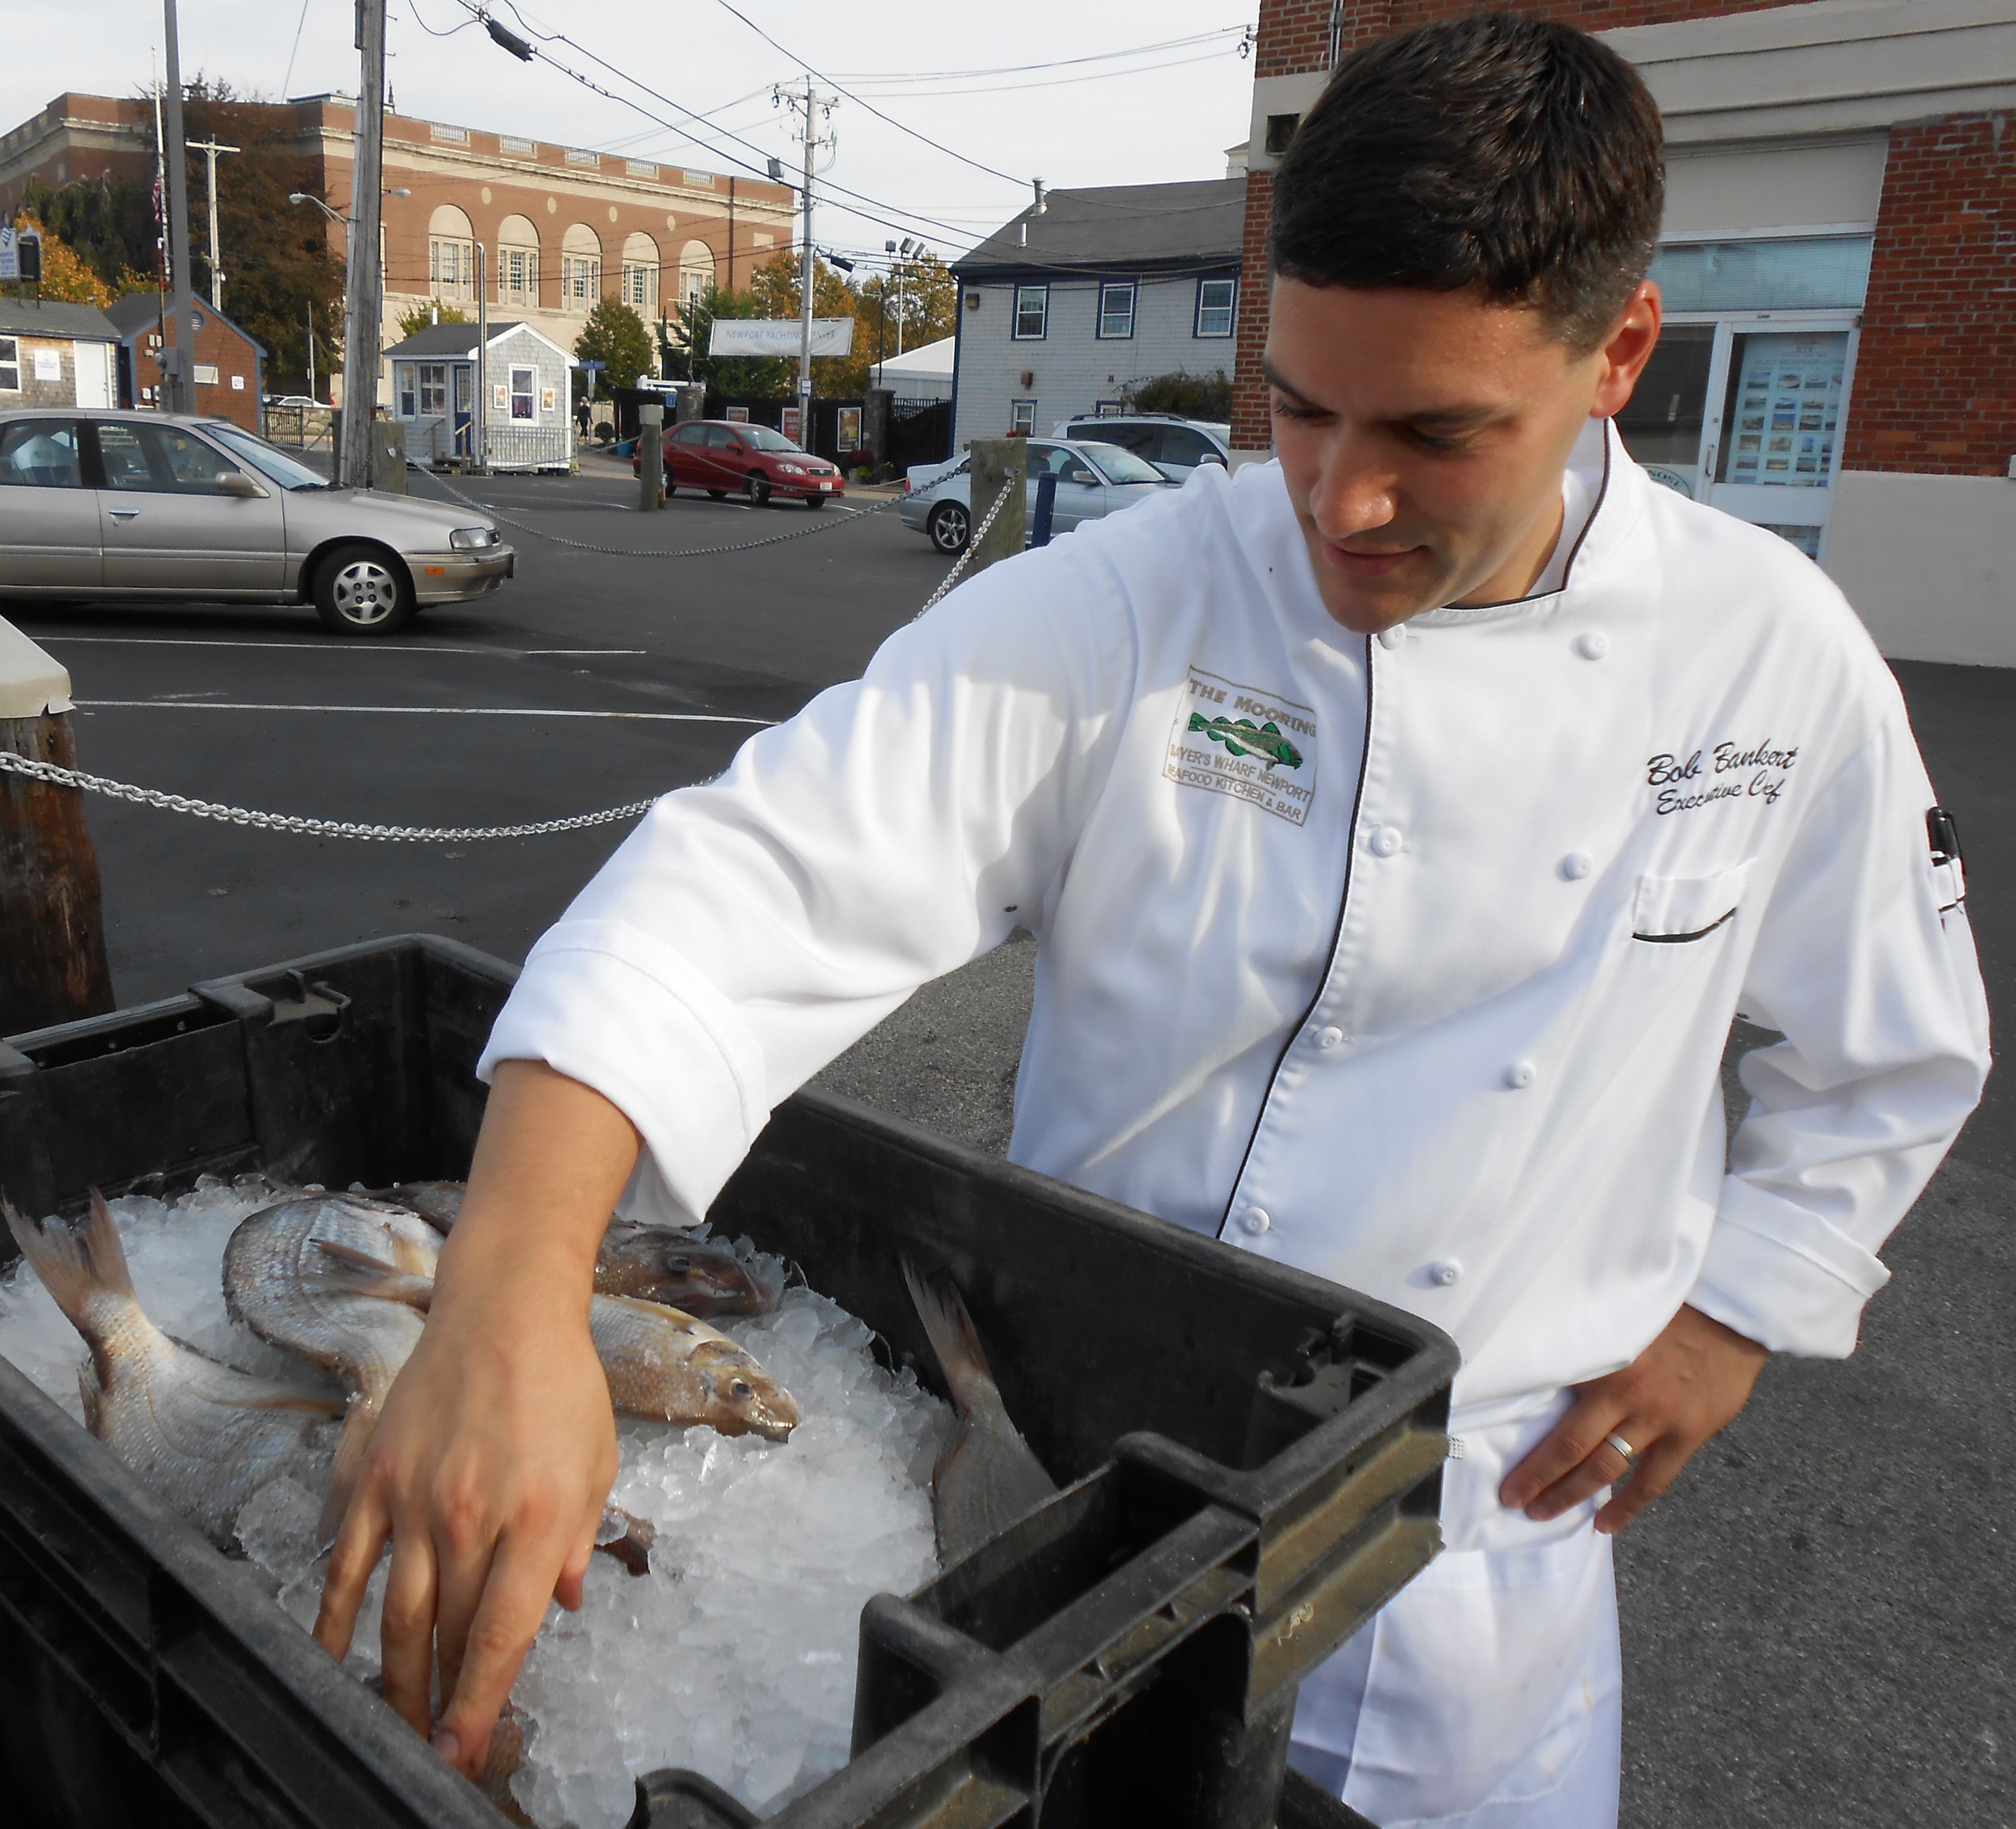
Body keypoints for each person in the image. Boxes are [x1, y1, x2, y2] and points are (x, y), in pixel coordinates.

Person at [313, 15, 1989, 1826]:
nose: (1340, 497)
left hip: (1473, 1543)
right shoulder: (1137, 599)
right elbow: (755, 873)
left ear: (1618, 356)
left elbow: (1889, 1046)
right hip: (1073, 1491)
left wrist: (1737, 1314)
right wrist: (509, 1292)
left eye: (1434, 433)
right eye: (1297, 406)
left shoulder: (1769, 654)